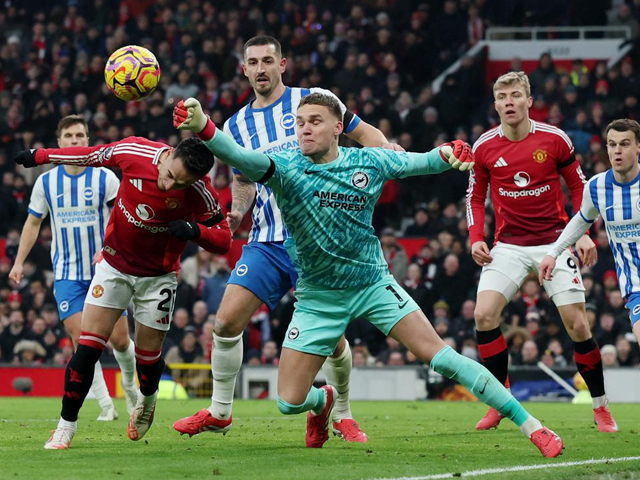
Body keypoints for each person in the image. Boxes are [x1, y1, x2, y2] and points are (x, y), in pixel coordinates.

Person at [173, 92, 564, 457]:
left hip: (373, 285)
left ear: (338, 127)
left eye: (314, 122)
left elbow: (422, 161)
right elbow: (237, 153)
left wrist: (448, 153)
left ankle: (533, 427)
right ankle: (323, 401)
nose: (304, 129)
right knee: (288, 402)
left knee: (442, 358)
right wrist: (204, 124)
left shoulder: (368, 161)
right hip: (318, 297)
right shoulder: (285, 168)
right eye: (299, 122)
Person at [174, 35, 402, 443]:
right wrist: (238, 211)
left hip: (318, 239)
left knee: (332, 341)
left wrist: (388, 154)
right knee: (225, 321)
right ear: (243, 69)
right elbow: (243, 178)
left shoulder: (314, 101)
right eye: (252, 62)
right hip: (267, 239)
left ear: (283, 64)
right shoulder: (236, 125)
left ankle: (342, 412)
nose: (260, 68)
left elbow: (364, 134)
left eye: (268, 60)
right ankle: (221, 411)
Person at [13, 133, 232, 449]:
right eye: (169, 175)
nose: (168, 186)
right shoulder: (135, 152)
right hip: (113, 266)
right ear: (168, 154)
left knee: (147, 361)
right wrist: (42, 155)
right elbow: (89, 155)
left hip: (157, 279)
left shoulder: (200, 191)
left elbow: (224, 239)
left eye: (179, 184)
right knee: (87, 348)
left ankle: (148, 398)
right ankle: (65, 427)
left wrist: (195, 231)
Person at [467, 71, 617, 433]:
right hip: (509, 245)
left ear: (529, 100)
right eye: (502, 97)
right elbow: (475, 197)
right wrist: (476, 236)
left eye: (515, 95)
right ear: (496, 104)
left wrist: (583, 233)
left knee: (578, 324)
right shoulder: (484, 146)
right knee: (484, 316)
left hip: (556, 241)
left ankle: (600, 406)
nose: (509, 102)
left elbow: (579, 188)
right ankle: (501, 402)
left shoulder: (554, 139)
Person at [9, 115, 137, 422]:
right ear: (59, 143)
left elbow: (122, 218)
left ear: (88, 141)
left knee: (120, 341)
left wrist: (109, 248)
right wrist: (18, 261)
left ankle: (131, 387)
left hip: (105, 271)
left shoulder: (105, 178)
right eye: (69, 135)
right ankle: (106, 405)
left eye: (81, 135)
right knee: (84, 343)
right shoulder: (46, 182)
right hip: (67, 274)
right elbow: (33, 222)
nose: (76, 140)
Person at [539, 118, 640, 354]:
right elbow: (581, 220)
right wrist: (553, 253)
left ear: (638, 147)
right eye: (612, 144)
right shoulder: (596, 186)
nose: (617, 150)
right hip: (635, 285)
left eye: (625, 144)